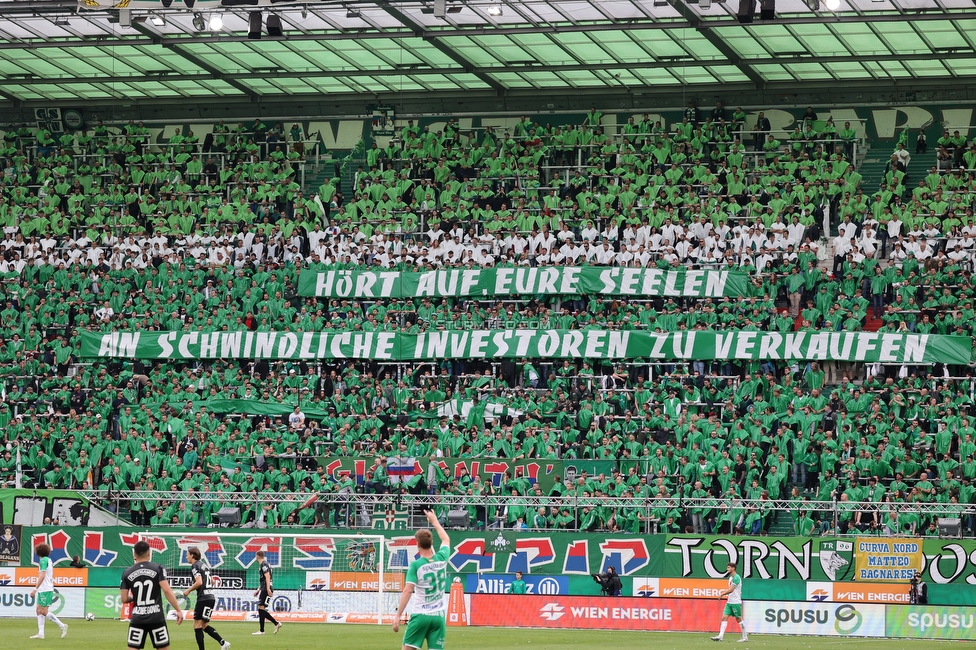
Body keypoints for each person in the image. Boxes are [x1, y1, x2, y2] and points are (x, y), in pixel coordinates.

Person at [393, 509, 450, 650]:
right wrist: (435, 521)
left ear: (417, 544)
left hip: (420, 615)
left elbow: (407, 591)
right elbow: (446, 539)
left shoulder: (416, 565)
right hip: (438, 616)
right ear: (431, 543)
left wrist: (398, 615)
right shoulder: (442, 558)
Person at [120, 540, 183, 650]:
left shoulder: (127, 572)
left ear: (134, 555)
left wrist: (134, 598)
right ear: (149, 553)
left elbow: (124, 599)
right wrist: (178, 610)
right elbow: (167, 591)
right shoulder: (158, 568)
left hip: (137, 618)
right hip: (156, 617)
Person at [182, 547, 230, 650]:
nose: (186, 557)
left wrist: (188, 590)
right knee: (203, 625)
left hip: (203, 598)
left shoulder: (195, 566)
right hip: (210, 597)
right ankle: (223, 642)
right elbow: (212, 581)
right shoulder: (204, 565)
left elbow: (199, 582)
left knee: (197, 625)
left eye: (187, 554)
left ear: (192, 555)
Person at [29, 542, 68, 639]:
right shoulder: (48, 560)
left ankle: (62, 625)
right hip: (45, 588)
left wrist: (35, 589)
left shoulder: (43, 561)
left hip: (45, 588)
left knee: (43, 611)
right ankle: (41, 633)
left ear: (38, 552)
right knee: (38, 610)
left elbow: (42, 575)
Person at [712, 562, 747, 643]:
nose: (727, 569)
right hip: (729, 602)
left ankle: (745, 637)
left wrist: (722, 594)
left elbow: (731, 590)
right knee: (724, 618)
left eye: (728, 567)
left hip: (735, 602)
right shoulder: (731, 578)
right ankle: (720, 636)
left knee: (739, 619)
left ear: (733, 568)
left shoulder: (736, 577)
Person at [251, 550, 281, 635]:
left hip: (266, 588)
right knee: (261, 608)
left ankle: (262, 630)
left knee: (261, 608)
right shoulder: (265, 564)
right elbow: (264, 579)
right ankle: (276, 623)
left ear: (257, 556)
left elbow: (267, 576)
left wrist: (267, 588)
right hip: (265, 587)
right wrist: (258, 589)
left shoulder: (263, 564)